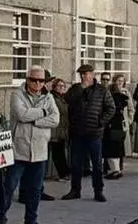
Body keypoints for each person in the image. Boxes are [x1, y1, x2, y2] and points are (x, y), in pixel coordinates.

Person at [0, 65, 59, 224]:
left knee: (35, 189)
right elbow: (21, 115)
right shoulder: (17, 94)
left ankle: (31, 220)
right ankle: (1, 219)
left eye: (41, 80)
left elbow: (55, 119)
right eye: (34, 80)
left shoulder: (49, 97)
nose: (38, 84)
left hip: (39, 151)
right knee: (9, 187)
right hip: (19, 149)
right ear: (28, 79)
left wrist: (35, 121)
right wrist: (43, 112)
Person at [63, 64, 115, 202]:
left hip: (94, 132)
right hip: (78, 132)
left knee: (96, 164)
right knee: (76, 163)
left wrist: (100, 122)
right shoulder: (75, 89)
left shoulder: (102, 90)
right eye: (82, 74)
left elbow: (111, 108)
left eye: (87, 74)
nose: (84, 76)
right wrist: (81, 89)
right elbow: (67, 100)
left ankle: (98, 190)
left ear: (92, 74)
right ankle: (75, 190)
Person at [105, 74, 130, 180]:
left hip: (111, 127)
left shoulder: (111, 100)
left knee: (111, 149)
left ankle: (114, 170)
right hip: (120, 126)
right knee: (119, 148)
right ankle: (117, 169)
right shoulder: (122, 99)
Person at [49, 78, 70, 181]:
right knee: (57, 152)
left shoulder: (62, 98)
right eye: (59, 86)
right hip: (56, 130)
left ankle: (64, 173)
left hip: (62, 129)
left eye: (63, 86)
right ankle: (62, 174)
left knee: (60, 151)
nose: (62, 88)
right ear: (54, 87)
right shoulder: (53, 98)